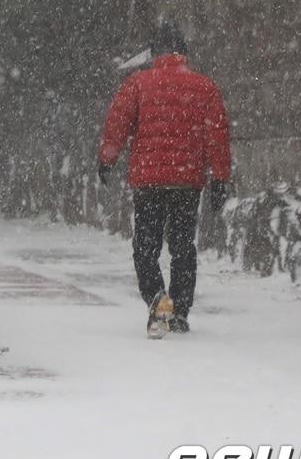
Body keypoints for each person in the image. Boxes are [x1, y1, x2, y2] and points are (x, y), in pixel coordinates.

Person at [97, 23, 231, 337]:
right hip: (187, 181)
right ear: (183, 52)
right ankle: (179, 312)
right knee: (183, 247)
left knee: (146, 248)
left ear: (155, 53)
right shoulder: (205, 87)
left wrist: (107, 159)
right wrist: (220, 178)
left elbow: (117, 124)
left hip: (149, 180)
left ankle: (158, 300)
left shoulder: (137, 83)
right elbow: (217, 136)